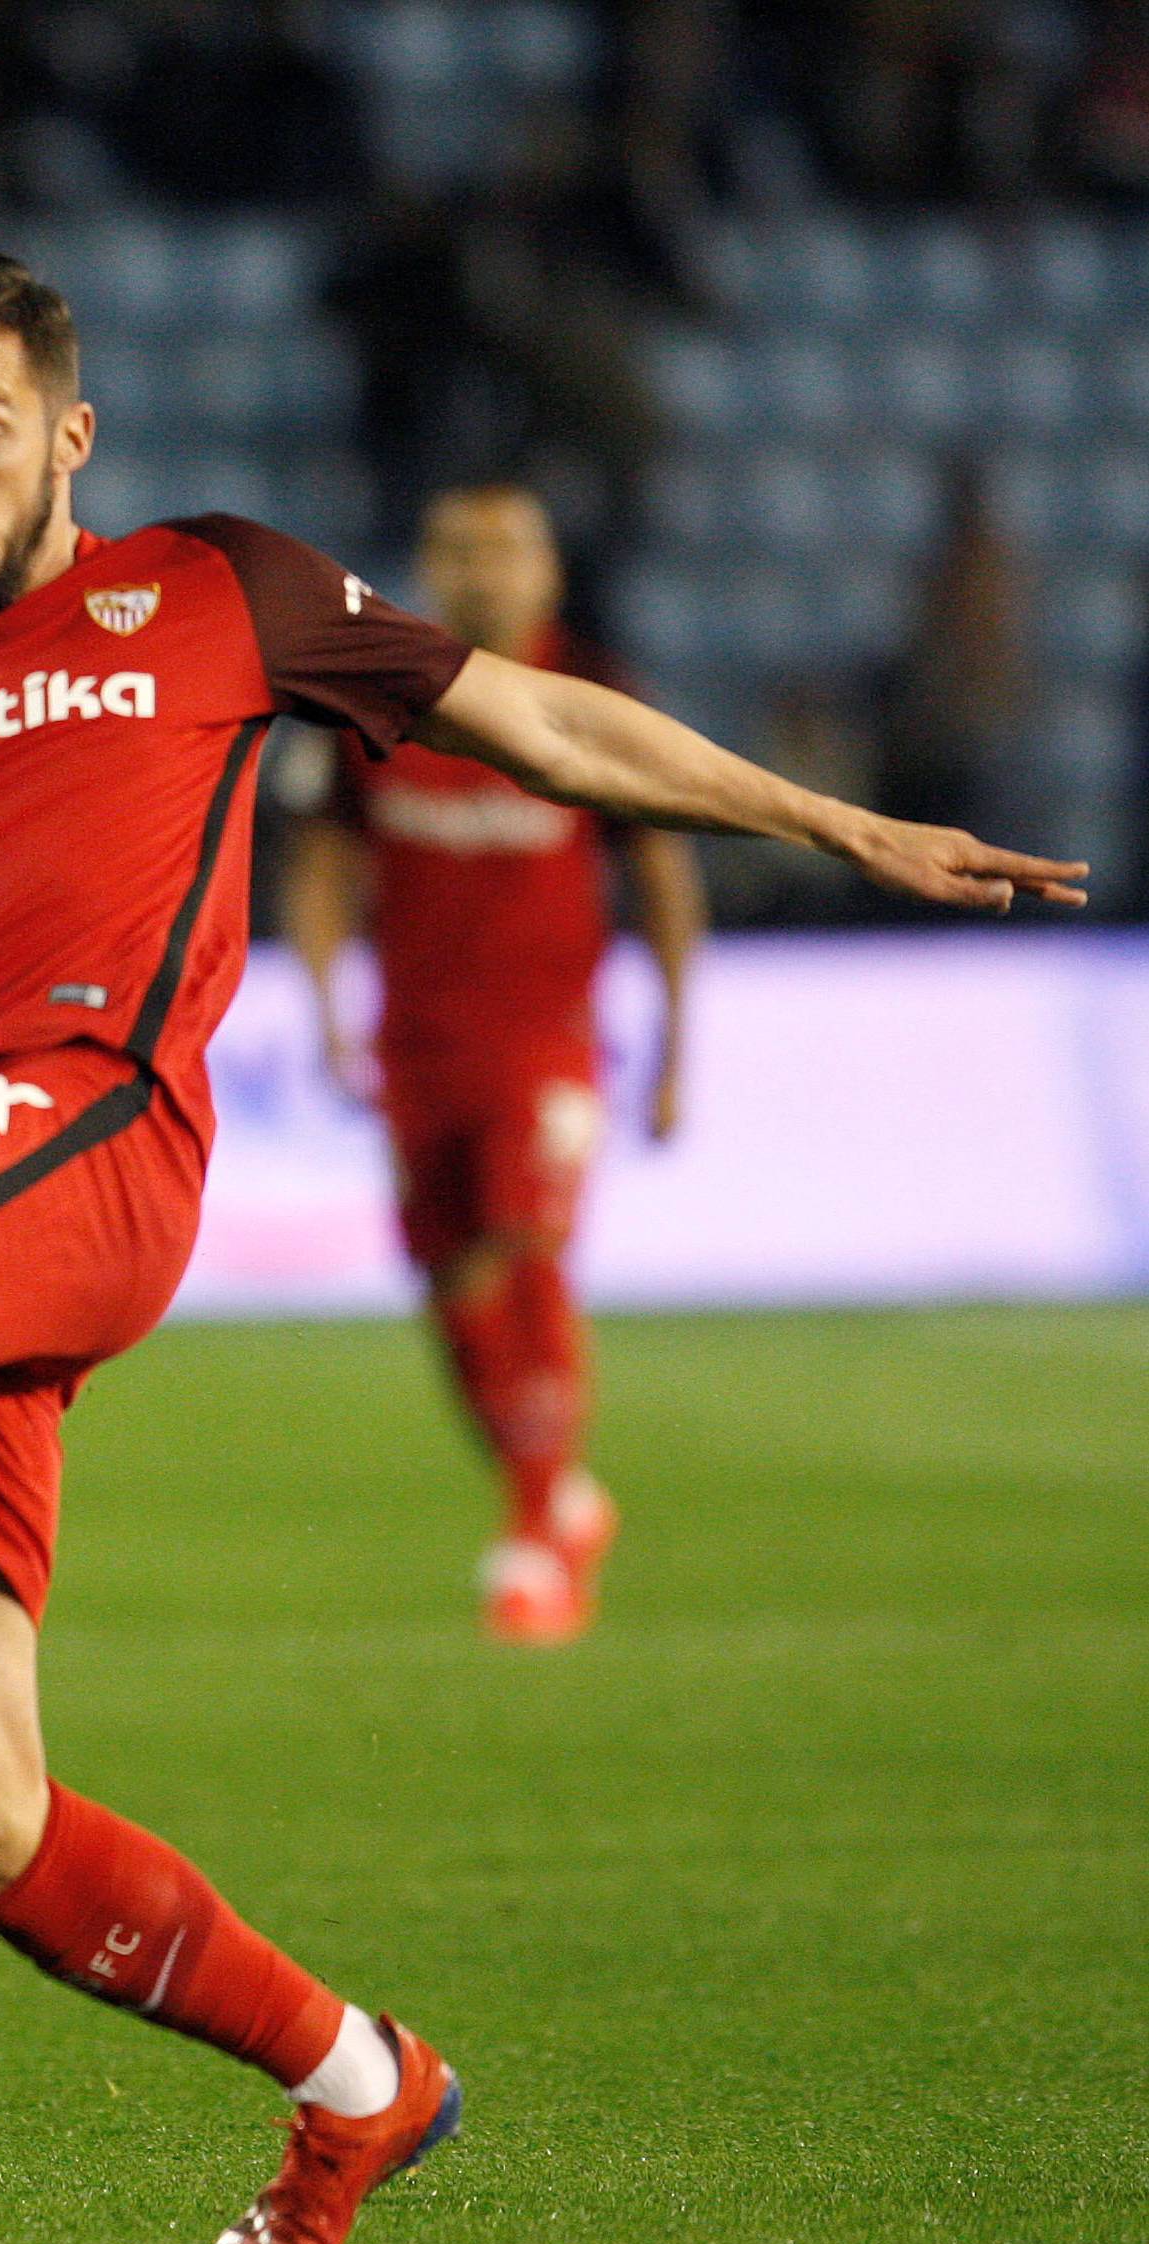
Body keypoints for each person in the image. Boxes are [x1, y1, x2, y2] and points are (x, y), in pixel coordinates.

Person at [0, 245, 1081, 2244]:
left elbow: (526, 721)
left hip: (81, 1124)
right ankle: (357, 2080)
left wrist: (829, 825)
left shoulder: (208, 593)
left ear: (67, 435)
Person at [282, 484, 707, 1644]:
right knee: (456, 1294)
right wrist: (323, 1006)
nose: (483, 571)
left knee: (529, 1255)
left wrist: (674, 1045)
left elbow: (662, 877)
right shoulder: (378, 701)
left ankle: (532, 1540)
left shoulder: (598, 699)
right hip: (419, 1051)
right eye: (459, 550)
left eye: (508, 549)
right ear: (426, 567)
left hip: (549, 1044)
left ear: (548, 574)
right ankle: (559, 1495)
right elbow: (323, 867)